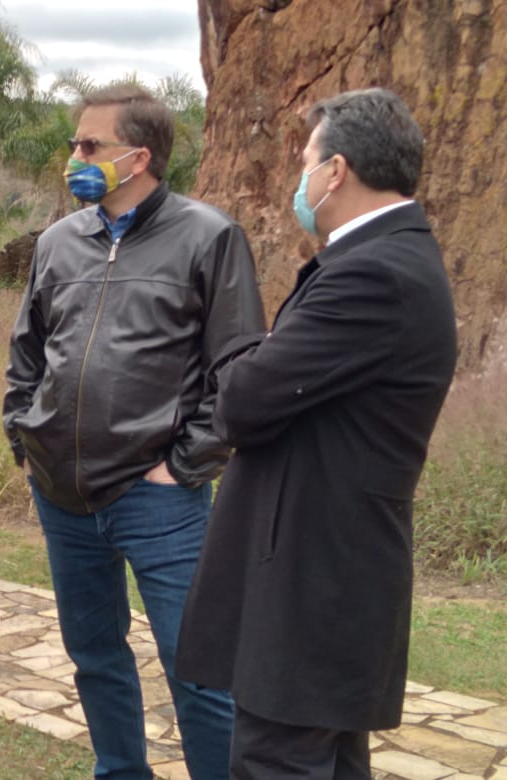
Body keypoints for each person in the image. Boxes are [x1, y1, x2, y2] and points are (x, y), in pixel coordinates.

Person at [175, 88, 458, 777]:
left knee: (280, 761)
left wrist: (242, 349)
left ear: (337, 171)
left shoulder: (373, 273)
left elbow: (241, 402)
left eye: (306, 160)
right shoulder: (384, 259)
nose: (300, 177)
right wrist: (266, 354)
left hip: (315, 578)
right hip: (327, 572)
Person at [2, 84, 266, 779]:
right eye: (73, 146)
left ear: (139, 156)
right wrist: (22, 438)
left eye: (89, 146)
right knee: (94, 655)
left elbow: (236, 369)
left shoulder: (208, 237)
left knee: (200, 670)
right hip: (61, 494)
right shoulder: (60, 241)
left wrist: (183, 466)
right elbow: (27, 351)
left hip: (159, 499)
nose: (75, 158)